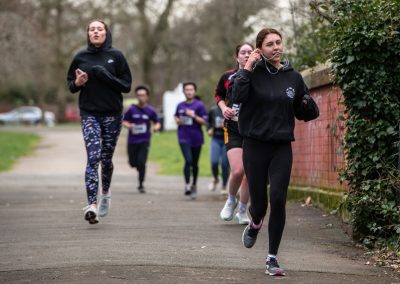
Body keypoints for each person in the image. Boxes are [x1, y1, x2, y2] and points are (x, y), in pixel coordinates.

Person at [232, 28, 311, 276]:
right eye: (269, 44)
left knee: (278, 198)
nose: (276, 47)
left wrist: (307, 103)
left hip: (280, 146)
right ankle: (255, 222)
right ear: (260, 49)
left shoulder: (293, 78)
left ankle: (272, 258)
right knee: (260, 202)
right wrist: (247, 67)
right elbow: (237, 96)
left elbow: (304, 112)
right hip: (254, 145)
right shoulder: (250, 74)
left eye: (278, 42)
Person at [67, 19, 132, 224]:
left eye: (100, 29)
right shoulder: (80, 57)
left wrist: (105, 75)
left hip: (112, 113)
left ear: (106, 33)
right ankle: (92, 205)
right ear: (88, 34)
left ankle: (105, 193)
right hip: (89, 113)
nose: (96, 32)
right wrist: (78, 83)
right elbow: (71, 85)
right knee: (93, 157)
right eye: (92, 29)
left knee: (106, 159)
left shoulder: (116, 56)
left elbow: (126, 86)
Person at [215, 43, 253, 225]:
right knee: (238, 170)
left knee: (249, 174)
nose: (246, 55)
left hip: (253, 129)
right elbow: (218, 95)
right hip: (234, 128)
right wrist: (223, 108)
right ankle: (231, 200)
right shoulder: (227, 76)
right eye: (243, 53)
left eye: (250, 52)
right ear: (237, 57)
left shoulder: (259, 76)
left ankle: (243, 210)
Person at [122, 85, 160, 193]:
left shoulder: (150, 110)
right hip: (132, 141)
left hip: (144, 140)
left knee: (141, 162)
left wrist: (156, 127)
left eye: (143, 95)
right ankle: (139, 168)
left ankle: (141, 184)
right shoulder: (131, 109)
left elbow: (157, 122)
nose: (140, 97)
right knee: (132, 163)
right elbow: (124, 121)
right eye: (138, 95)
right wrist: (128, 125)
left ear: (147, 96)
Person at [175, 82, 208, 200]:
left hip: (196, 138)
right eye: (187, 90)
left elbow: (205, 122)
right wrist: (177, 120)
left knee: (194, 164)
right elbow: (176, 116)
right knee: (188, 160)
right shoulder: (180, 105)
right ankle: (187, 185)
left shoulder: (199, 105)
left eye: (191, 90)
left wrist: (194, 116)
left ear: (194, 91)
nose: (189, 92)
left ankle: (194, 185)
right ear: (184, 92)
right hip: (183, 137)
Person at [207, 105, 229, 193]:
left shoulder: (230, 110)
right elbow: (209, 122)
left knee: (224, 164)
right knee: (214, 162)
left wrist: (225, 126)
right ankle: (215, 178)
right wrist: (209, 129)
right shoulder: (213, 110)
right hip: (215, 139)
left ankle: (224, 186)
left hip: (226, 140)